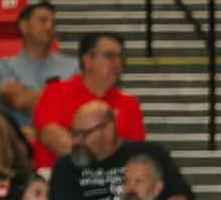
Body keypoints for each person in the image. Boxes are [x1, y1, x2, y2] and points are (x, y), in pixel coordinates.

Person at [34, 33, 147, 168]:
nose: (118, 63)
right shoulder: (56, 92)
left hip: (114, 182)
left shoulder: (130, 104)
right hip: (60, 179)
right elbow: (52, 137)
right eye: (110, 56)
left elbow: (135, 154)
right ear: (87, 60)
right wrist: (104, 160)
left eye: (120, 57)